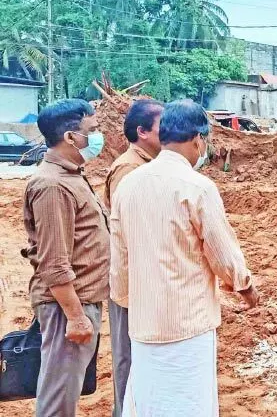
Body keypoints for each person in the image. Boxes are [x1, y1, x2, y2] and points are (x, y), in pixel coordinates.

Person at [110, 99, 259, 416]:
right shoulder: (198, 187)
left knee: (149, 403)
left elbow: (120, 260)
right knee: (188, 403)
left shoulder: (128, 186)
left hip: (144, 324)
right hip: (187, 326)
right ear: (197, 139)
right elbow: (222, 255)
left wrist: (128, 300)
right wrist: (245, 286)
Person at [22, 99, 109, 417]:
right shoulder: (52, 186)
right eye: (93, 130)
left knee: (66, 391)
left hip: (79, 301)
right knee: (59, 399)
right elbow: (54, 261)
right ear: (72, 137)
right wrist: (75, 316)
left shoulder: (71, 176)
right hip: (66, 306)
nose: (99, 136)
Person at [103, 99, 164, 417]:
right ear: (141, 132)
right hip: (131, 283)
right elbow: (133, 231)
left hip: (145, 280)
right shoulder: (129, 169)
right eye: (160, 127)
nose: (168, 133)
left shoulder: (148, 166)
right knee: (128, 358)